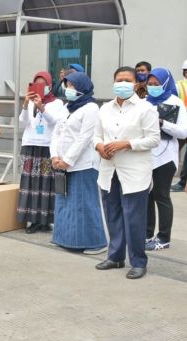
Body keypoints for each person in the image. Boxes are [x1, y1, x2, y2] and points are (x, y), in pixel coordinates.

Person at [94, 66, 160, 280]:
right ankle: (115, 256)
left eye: (126, 80)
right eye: (118, 80)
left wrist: (126, 144)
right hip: (108, 170)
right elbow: (96, 136)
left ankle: (139, 262)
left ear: (135, 84)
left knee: (134, 218)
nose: (122, 83)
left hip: (134, 172)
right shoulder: (104, 108)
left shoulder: (145, 108)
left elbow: (153, 139)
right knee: (112, 215)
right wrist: (99, 147)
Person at [49, 72, 107, 254]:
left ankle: (95, 242)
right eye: (67, 85)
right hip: (62, 163)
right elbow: (56, 133)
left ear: (82, 87)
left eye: (72, 86)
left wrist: (68, 160)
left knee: (84, 203)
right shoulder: (67, 108)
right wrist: (54, 156)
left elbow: (85, 138)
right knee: (65, 202)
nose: (68, 89)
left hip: (83, 164)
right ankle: (65, 238)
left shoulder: (91, 108)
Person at [143, 68, 187, 250]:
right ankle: (146, 234)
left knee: (161, 195)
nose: (152, 88)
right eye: (150, 84)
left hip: (165, 158)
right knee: (146, 196)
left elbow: (183, 131)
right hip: (145, 156)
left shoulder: (175, 102)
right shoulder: (144, 102)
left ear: (165, 84)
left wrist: (162, 122)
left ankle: (164, 237)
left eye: (157, 84)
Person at [17, 71, 63, 233]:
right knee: (30, 184)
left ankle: (45, 221)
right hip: (30, 145)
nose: (40, 87)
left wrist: (41, 107)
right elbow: (23, 122)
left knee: (45, 185)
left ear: (50, 86)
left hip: (46, 147)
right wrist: (25, 104)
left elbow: (54, 122)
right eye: (37, 83)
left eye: (44, 84)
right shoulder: (30, 102)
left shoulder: (56, 103)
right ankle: (33, 220)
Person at [171, 59, 187, 192]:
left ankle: (183, 183)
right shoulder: (178, 86)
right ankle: (177, 181)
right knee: (172, 149)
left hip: (180, 125)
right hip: (181, 125)